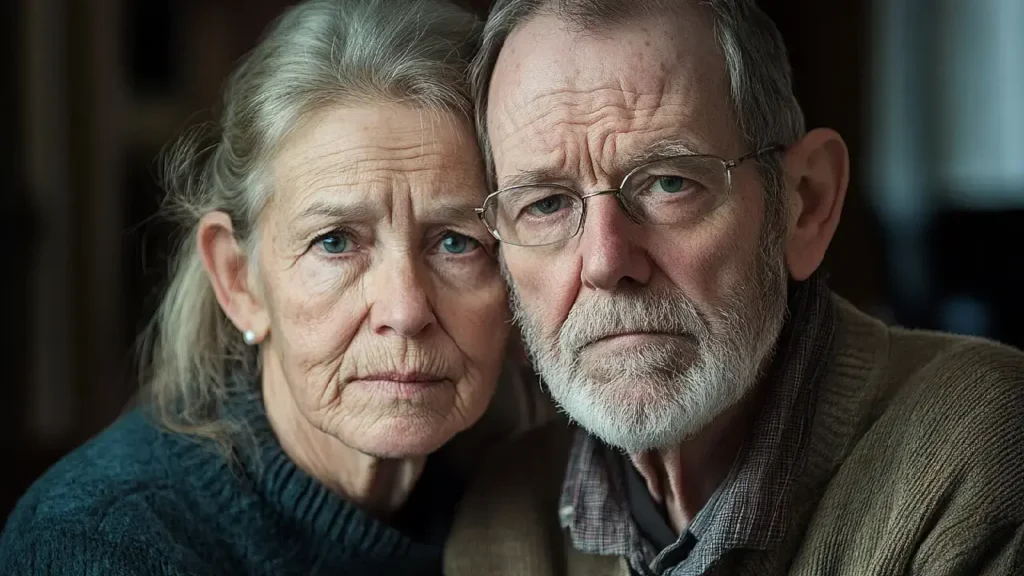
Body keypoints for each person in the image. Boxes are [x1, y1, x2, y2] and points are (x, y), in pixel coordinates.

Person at [444, 0, 1024, 575]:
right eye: (544, 204)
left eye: (669, 183)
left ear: (805, 204)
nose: (604, 262)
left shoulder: (978, 446)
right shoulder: (504, 521)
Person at [0, 0, 543, 574]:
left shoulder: (543, 513)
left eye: (456, 242)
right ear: (239, 282)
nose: (406, 310)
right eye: (335, 242)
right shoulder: (100, 543)